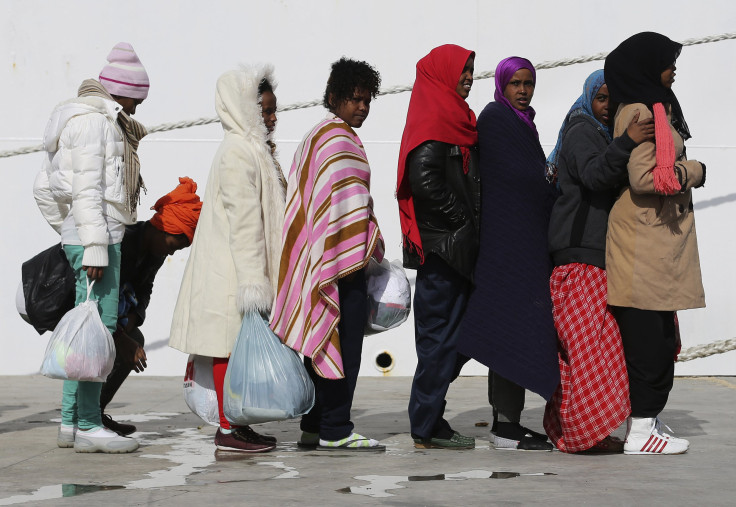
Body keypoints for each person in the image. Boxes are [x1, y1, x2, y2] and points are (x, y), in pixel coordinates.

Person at [33, 42, 149, 453]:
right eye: (136, 101)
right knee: (96, 334)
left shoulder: (77, 120)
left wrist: (72, 233)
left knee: (81, 337)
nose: (136, 110)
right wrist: (93, 244)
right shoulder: (96, 125)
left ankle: (70, 423)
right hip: (100, 241)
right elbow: (87, 191)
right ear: (122, 93)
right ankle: (87, 425)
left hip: (88, 237)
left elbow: (44, 189)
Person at [23, 178, 201, 437]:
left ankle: (90, 416)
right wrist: (119, 337)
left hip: (92, 308)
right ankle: (83, 421)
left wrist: (131, 320)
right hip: (50, 296)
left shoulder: (155, 253)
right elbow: (91, 299)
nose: (171, 253)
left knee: (131, 338)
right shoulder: (122, 242)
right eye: (174, 245)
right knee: (89, 346)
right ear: (162, 228)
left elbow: (144, 290)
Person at [270, 57, 385, 451]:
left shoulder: (315, 136)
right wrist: (364, 242)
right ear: (334, 97)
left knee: (321, 341)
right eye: (355, 99)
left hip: (319, 258)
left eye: (368, 100)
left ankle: (314, 425)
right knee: (343, 345)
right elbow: (348, 202)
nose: (362, 107)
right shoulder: (338, 140)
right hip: (341, 265)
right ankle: (336, 428)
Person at [169, 65, 284, 453]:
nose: (271, 118)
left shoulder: (254, 151)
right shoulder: (239, 153)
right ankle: (228, 427)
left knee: (235, 348)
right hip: (233, 272)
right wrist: (256, 282)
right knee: (229, 348)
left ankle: (238, 424)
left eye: (273, 111)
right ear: (245, 110)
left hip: (238, 268)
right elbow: (246, 222)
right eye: (265, 111)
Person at [543, 70, 655, 453]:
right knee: (590, 354)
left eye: (613, 99)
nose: (608, 107)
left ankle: (584, 431)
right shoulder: (581, 130)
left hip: (594, 258)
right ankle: (579, 435)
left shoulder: (598, 134)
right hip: (580, 259)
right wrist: (628, 141)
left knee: (590, 354)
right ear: (588, 98)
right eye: (601, 98)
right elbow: (594, 175)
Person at [604, 32, 705, 455]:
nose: (674, 66)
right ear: (647, 65)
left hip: (652, 241)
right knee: (650, 342)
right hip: (644, 244)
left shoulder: (653, 106)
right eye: (668, 60)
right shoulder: (641, 110)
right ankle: (642, 429)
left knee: (659, 337)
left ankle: (645, 422)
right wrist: (694, 170)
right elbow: (645, 177)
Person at [456, 57, 557, 451]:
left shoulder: (525, 123)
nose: (522, 90)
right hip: (504, 249)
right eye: (515, 83)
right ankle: (500, 425)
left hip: (525, 247)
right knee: (495, 331)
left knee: (514, 330)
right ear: (501, 84)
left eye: (528, 83)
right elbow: (519, 180)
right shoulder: (496, 120)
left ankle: (508, 423)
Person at [396, 44, 479, 450]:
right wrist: (461, 221)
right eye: (463, 70)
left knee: (458, 338)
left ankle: (430, 417)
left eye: (471, 70)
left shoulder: (456, 115)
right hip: (442, 250)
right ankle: (425, 424)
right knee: (439, 341)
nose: (468, 77)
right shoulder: (434, 117)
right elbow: (424, 177)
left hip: (456, 249)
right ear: (444, 73)